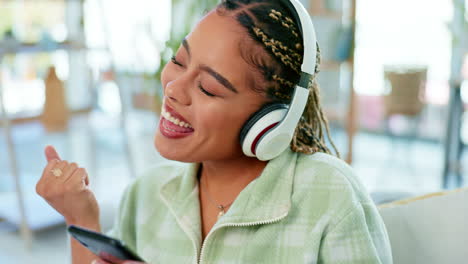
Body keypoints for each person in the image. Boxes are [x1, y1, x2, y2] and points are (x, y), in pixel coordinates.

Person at [37, 0, 393, 263]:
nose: (174, 88)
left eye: (208, 87)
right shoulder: (145, 195)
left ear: (269, 122)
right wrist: (81, 218)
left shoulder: (329, 197)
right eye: (179, 60)